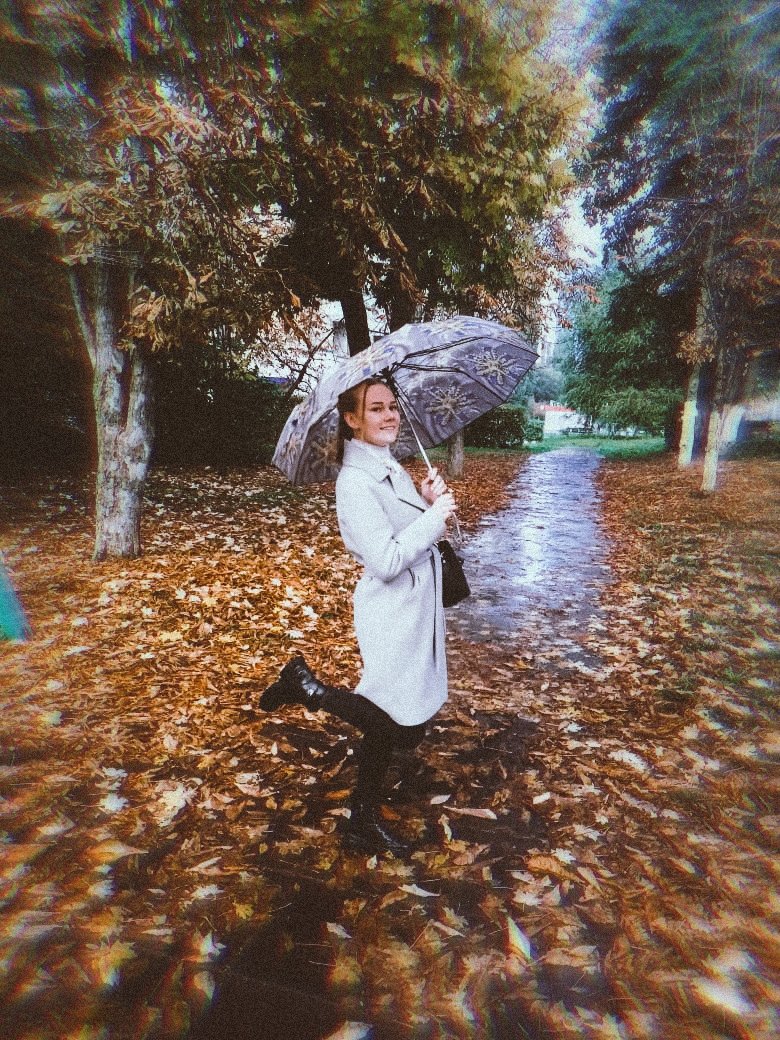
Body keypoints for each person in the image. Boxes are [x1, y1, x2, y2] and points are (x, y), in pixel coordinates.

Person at [259, 377, 457, 855]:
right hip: (391, 611)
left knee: (404, 726)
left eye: (392, 406)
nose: (389, 416)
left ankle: (358, 815)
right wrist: (434, 520)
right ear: (351, 419)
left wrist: (427, 502)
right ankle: (307, 688)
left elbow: (403, 528)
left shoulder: (387, 464)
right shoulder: (354, 483)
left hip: (415, 607)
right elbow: (386, 560)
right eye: (376, 409)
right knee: (393, 723)